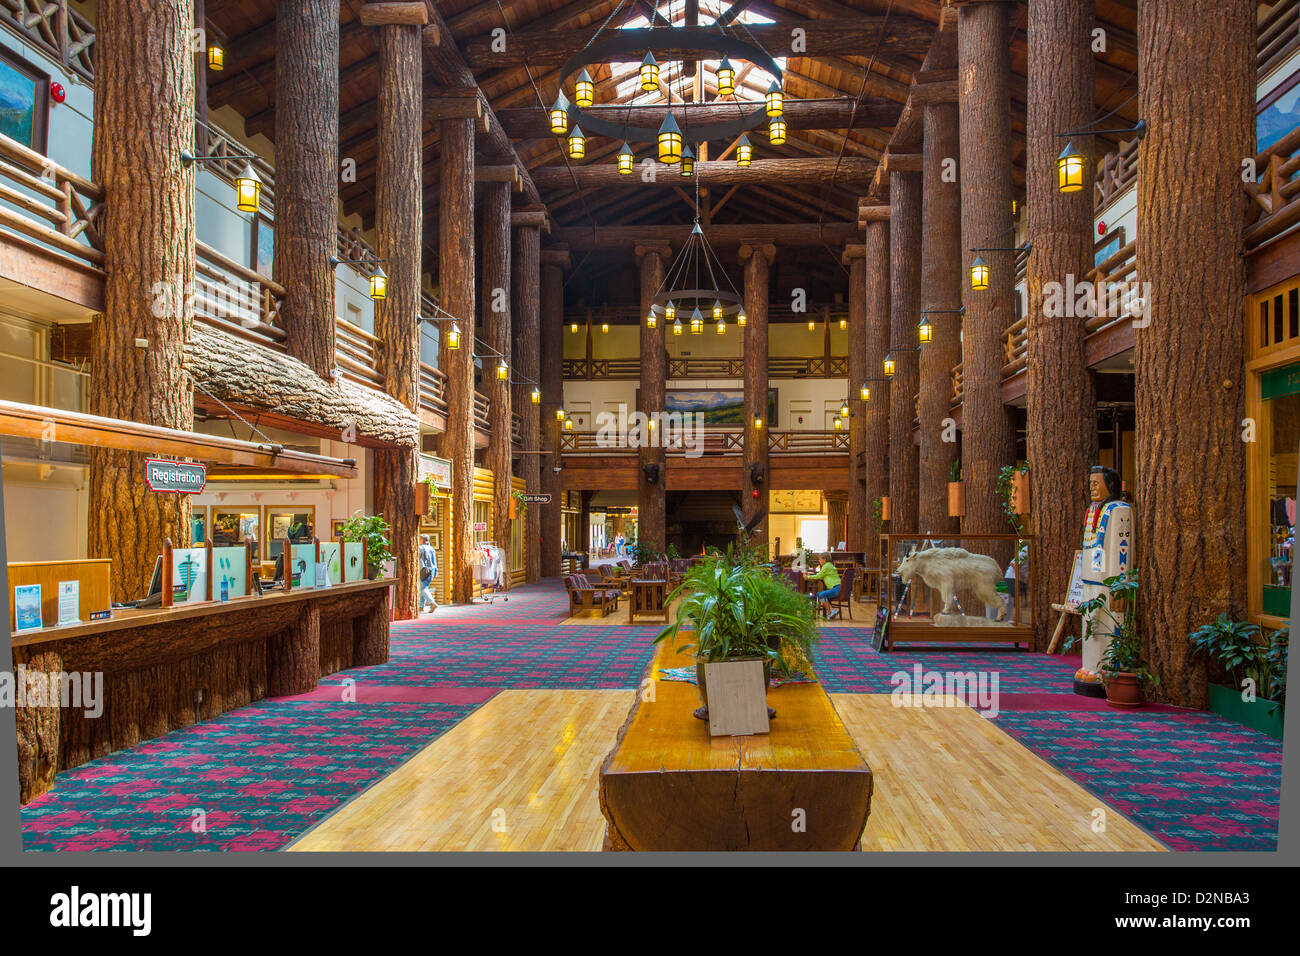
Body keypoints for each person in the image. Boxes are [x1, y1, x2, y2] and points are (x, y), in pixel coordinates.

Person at [808, 553, 842, 618]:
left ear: (824, 559)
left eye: (820, 559)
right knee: (820, 594)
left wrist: (808, 577)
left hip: (836, 589)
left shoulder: (826, 566)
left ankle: (830, 612)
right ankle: (831, 611)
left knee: (821, 594)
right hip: (838, 588)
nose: (819, 561)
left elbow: (819, 576)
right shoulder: (829, 565)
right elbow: (822, 576)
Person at [419, 534, 438, 613]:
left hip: (424, 570)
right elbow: (434, 561)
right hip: (431, 571)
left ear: (422, 540)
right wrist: (436, 572)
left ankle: (432, 603)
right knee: (424, 587)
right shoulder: (432, 549)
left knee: (423, 588)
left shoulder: (421, 548)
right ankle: (421, 606)